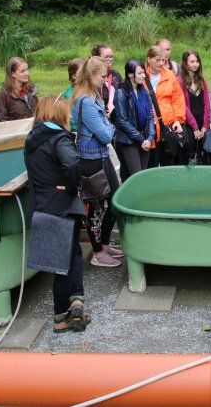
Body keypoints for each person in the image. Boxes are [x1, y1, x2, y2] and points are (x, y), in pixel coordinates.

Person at [24, 95, 90, 333]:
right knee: (64, 263)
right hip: (62, 206)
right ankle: (61, 317)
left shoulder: (33, 138)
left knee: (70, 256)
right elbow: (71, 163)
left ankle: (75, 301)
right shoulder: (59, 138)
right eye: (67, 112)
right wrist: (73, 187)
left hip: (43, 205)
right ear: (59, 114)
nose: (69, 116)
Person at [71, 57, 124, 268]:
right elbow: (105, 134)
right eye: (102, 76)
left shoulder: (95, 96)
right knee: (96, 207)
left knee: (114, 201)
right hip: (90, 160)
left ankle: (104, 244)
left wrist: (108, 126)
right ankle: (97, 252)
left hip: (102, 157)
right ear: (91, 76)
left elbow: (105, 128)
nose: (105, 80)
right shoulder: (84, 101)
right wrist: (111, 126)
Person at [113, 60, 155, 181]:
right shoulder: (121, 93)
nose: (144, 76)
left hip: (145, 139)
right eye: (140, 73)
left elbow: (150, 116)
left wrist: (150, 137)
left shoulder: (144, 91)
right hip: (128, 141)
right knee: (136, 177)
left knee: (142, 176)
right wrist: (141, 138)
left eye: (144, 73)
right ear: (130, 75)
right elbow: (122, 120)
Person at [145, 45, 186, 167]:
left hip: (167, 126)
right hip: (149, 127)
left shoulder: (169, 75)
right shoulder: (142, 77)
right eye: (157, 60)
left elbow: (177, 99)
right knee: (151, 165)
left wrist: (178, 120)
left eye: (163, 60)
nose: (161, 63)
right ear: (149, 59)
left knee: (168, 164)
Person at [177, 49, 211, 165]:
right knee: (190, 156)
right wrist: (195, 128)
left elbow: (207, 103)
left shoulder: (202, 80)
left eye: (197, 61)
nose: (195, 64)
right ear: (185, 63)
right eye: (192, 61)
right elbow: (183, 106)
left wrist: (205, 126)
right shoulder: (179, 81)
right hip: (189, 125)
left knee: (205, 156)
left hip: (203, 124)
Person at [0, 57, 38, 122]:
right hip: (14, 129)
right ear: (13, 74)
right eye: (22, 71)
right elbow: (0, 121)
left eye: (27, 70)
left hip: (33, 128)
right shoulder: (3, 95)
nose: (27, 73)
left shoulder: (31, 90)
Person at [91, 44, 122, 118]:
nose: (110, 59)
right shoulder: (93, 76)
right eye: (106, 57)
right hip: (99, 115)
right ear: (98, 58)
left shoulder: (116, 74)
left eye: (111, 57)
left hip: (116, 114)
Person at [63, 58, 85, 132]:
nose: (85, 74)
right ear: (74, 76)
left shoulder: (89, 89)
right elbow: (72, 121)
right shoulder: (69, 94)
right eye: (81, 72)